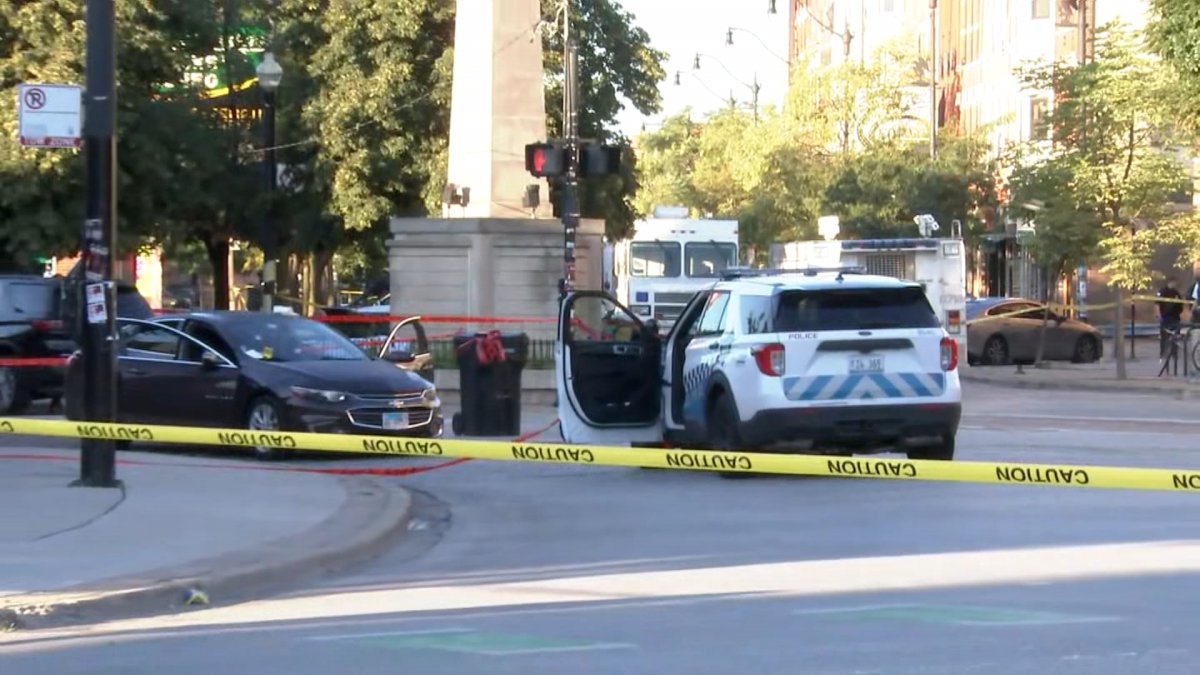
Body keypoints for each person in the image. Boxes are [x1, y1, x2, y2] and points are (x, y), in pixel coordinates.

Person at [1158, 278, 1184, 359]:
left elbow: (1181, 305)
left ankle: (1174, 353)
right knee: (1164, 336)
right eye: (1173, 283)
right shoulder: (1162, 291)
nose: (1174, 284)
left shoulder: (1176, 293)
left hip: (1175, 317)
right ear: (1170, 282)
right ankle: (1163, 353)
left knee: (1175, 336)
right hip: (1165, 317)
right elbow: (1157, 303)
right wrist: (1158, 315)